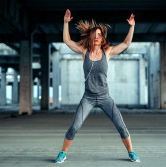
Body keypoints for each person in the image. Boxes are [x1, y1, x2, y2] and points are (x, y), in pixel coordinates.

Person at [54, 9, 140, 163]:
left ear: (102, 39)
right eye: (94, 34)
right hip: (88, 98)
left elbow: (126, 43)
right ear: (90, 37)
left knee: (121, 126)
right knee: (74, 127)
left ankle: (131, 152)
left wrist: (132, 26)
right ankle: (62, 153)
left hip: (104, 97)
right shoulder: (84, 52)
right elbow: (67, 41)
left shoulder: (108, 52)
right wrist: (66, 23)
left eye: (99, 35)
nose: (96, 37)